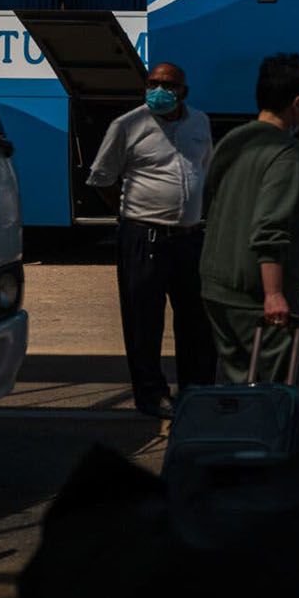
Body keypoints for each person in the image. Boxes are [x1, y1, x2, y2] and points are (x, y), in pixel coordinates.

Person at [86, 61, 215, 418]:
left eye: (168, 85)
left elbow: (205, 168)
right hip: (144, 237)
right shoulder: (127, 125)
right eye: (152, 83)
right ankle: (151, 394)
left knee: (195, 319)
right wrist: (133, 214)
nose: (159, 90)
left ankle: (196, 389)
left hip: (188, 239)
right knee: (144, 320)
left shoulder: (199, 122)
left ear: (183, 91)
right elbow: (102, 179)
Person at [200, 53, 299, 386]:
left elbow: (208, 200)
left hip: (216, 288)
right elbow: (271, 226)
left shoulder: (231, 142)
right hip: (255, 296)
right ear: (297, 103)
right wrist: (274, 293)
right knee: (279, 393)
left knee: (236, 391)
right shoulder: (287, 153)